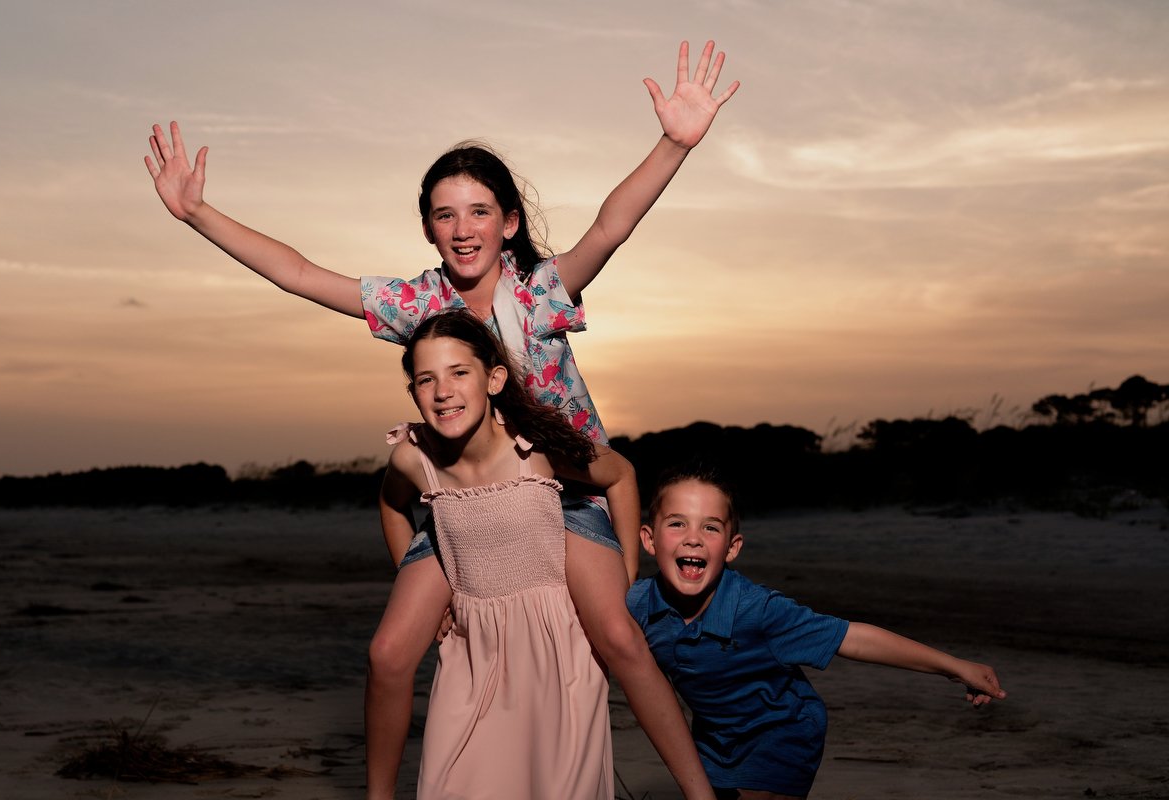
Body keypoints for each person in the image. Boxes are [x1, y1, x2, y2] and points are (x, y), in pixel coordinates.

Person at [145, 40, 738, 799]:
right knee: (391, 653)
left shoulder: (539, 292)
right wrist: (196, 213)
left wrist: (674, 143)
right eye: (444, 215)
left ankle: (697, 792)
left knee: (620, 639)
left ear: (509, 222)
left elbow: (610, 227)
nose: (463, 229)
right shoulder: (418, 305)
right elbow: (297, 274)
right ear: (428, 229)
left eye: (480, 212)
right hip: (462, 501)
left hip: (565, 492)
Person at [627, 464, 1008, 800]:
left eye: (710, 527)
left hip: (782, 733)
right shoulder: (639, 604)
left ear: (731, 547)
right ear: (648, 539)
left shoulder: (758, 610)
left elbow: (853, 638)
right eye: (677, 523)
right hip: (712, 739)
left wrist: (954, 666)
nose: (693, 537)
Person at [382, 309, 635, 798]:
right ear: (413, 391)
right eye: (425, 379)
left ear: (494, 378)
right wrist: (409, 576)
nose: (442, 391)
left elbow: (619, 474)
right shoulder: (413, 459)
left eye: (459, 372)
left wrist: (625, 572)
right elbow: (392, 505)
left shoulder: (533, 447)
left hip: (558, 652)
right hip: (472, 653)